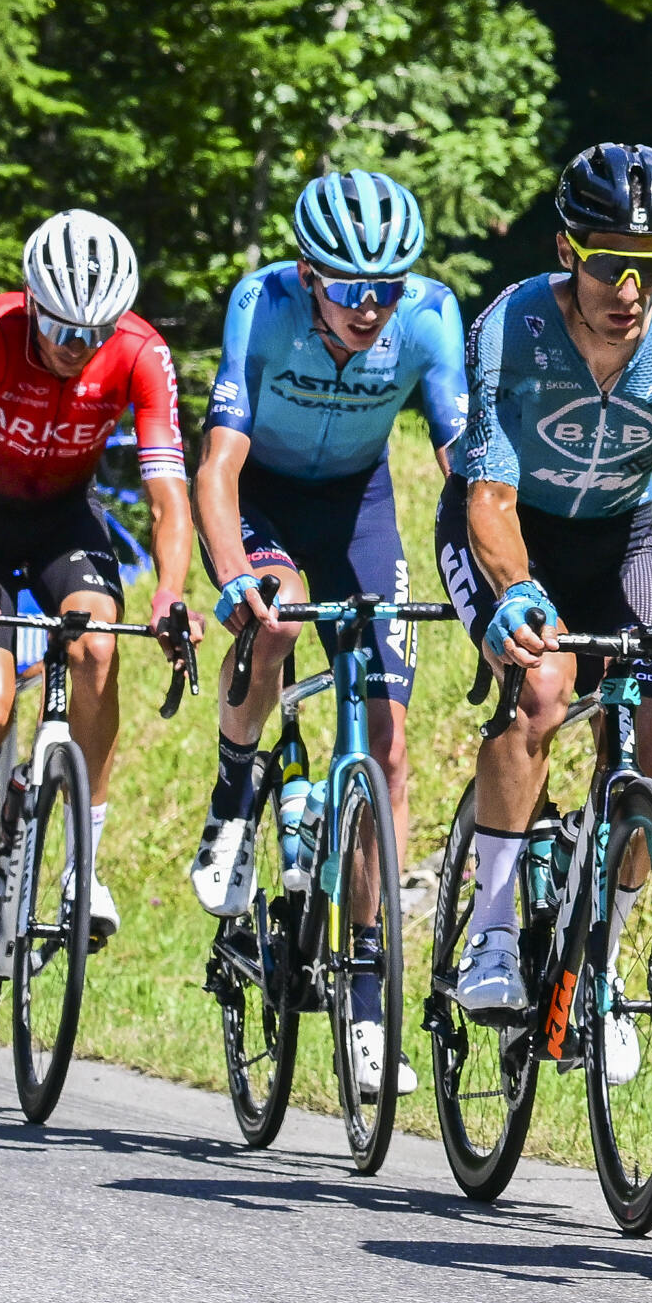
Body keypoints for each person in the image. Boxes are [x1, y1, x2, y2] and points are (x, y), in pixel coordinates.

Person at [438, 143, 652, 1076]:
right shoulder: (511, 325)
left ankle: (602, 963)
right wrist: (516, 589)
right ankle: (494, 927)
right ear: (567, 250)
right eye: (611, 262)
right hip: (510, 532)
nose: (630, 289)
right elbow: (487, 498)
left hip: (622, 538)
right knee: (542, 687)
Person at [189, 170, 469, 1100]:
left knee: (387, 747)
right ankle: (234, 797)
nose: (370, 307)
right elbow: (217, 467)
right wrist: (234, 575)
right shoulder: (262, 305)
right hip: (262, 498)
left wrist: (499, 579)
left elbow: (467, 471)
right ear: (310, 274)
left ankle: (367, 995)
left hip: (360, 507)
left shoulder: (430, 316)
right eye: (350, 287)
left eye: (386, 287)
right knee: (275, 616)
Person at [0, 210, 198, 996]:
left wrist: (171, 593)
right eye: (63, 328)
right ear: (33, 302)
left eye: (93, 332)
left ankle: (81, 867)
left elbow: (168, 495)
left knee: (98, 647)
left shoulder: (141, 352)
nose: (77, 346)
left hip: (64, 520)